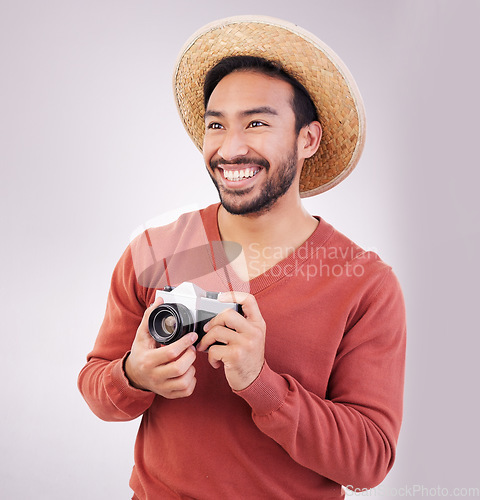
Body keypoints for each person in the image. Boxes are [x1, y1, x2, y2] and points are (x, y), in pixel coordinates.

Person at [78, 16, 406, 499]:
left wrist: (260, 382)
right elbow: (97, 387)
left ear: (308, 138)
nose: (230, 148)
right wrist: (133, 374)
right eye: (216, 125)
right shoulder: (154, 250)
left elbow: (370, 461)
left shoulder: (365, 284)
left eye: (256, 123)